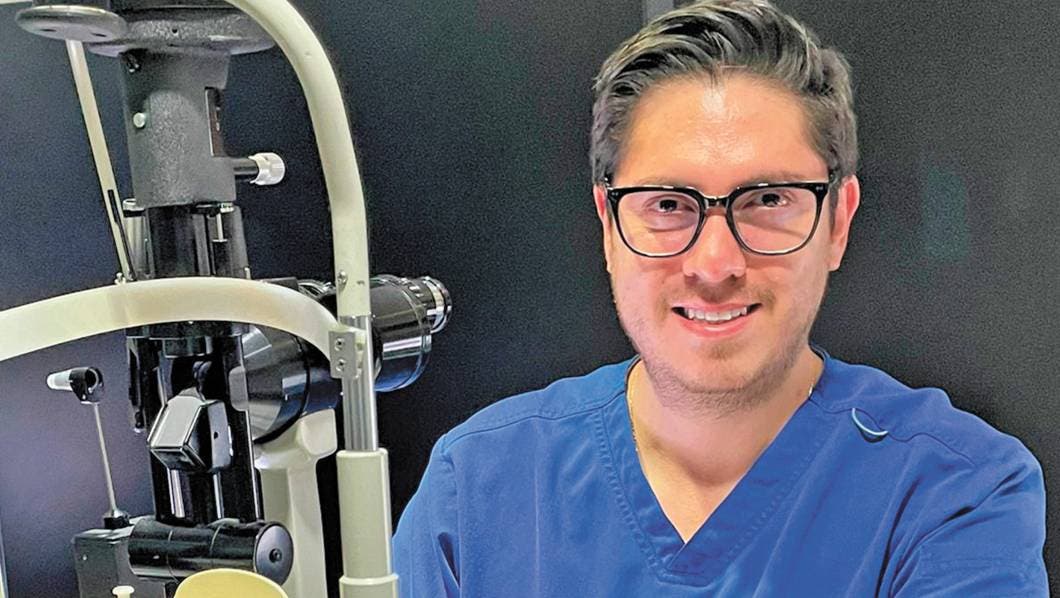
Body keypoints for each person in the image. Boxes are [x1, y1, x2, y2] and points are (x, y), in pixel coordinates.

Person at [392, 1, 1048, 595]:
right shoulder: (479, 489)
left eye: (767, 200)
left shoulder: (951, 491)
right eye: (667, 205)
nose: (714, 265)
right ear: (609, 226)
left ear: (838, 222)